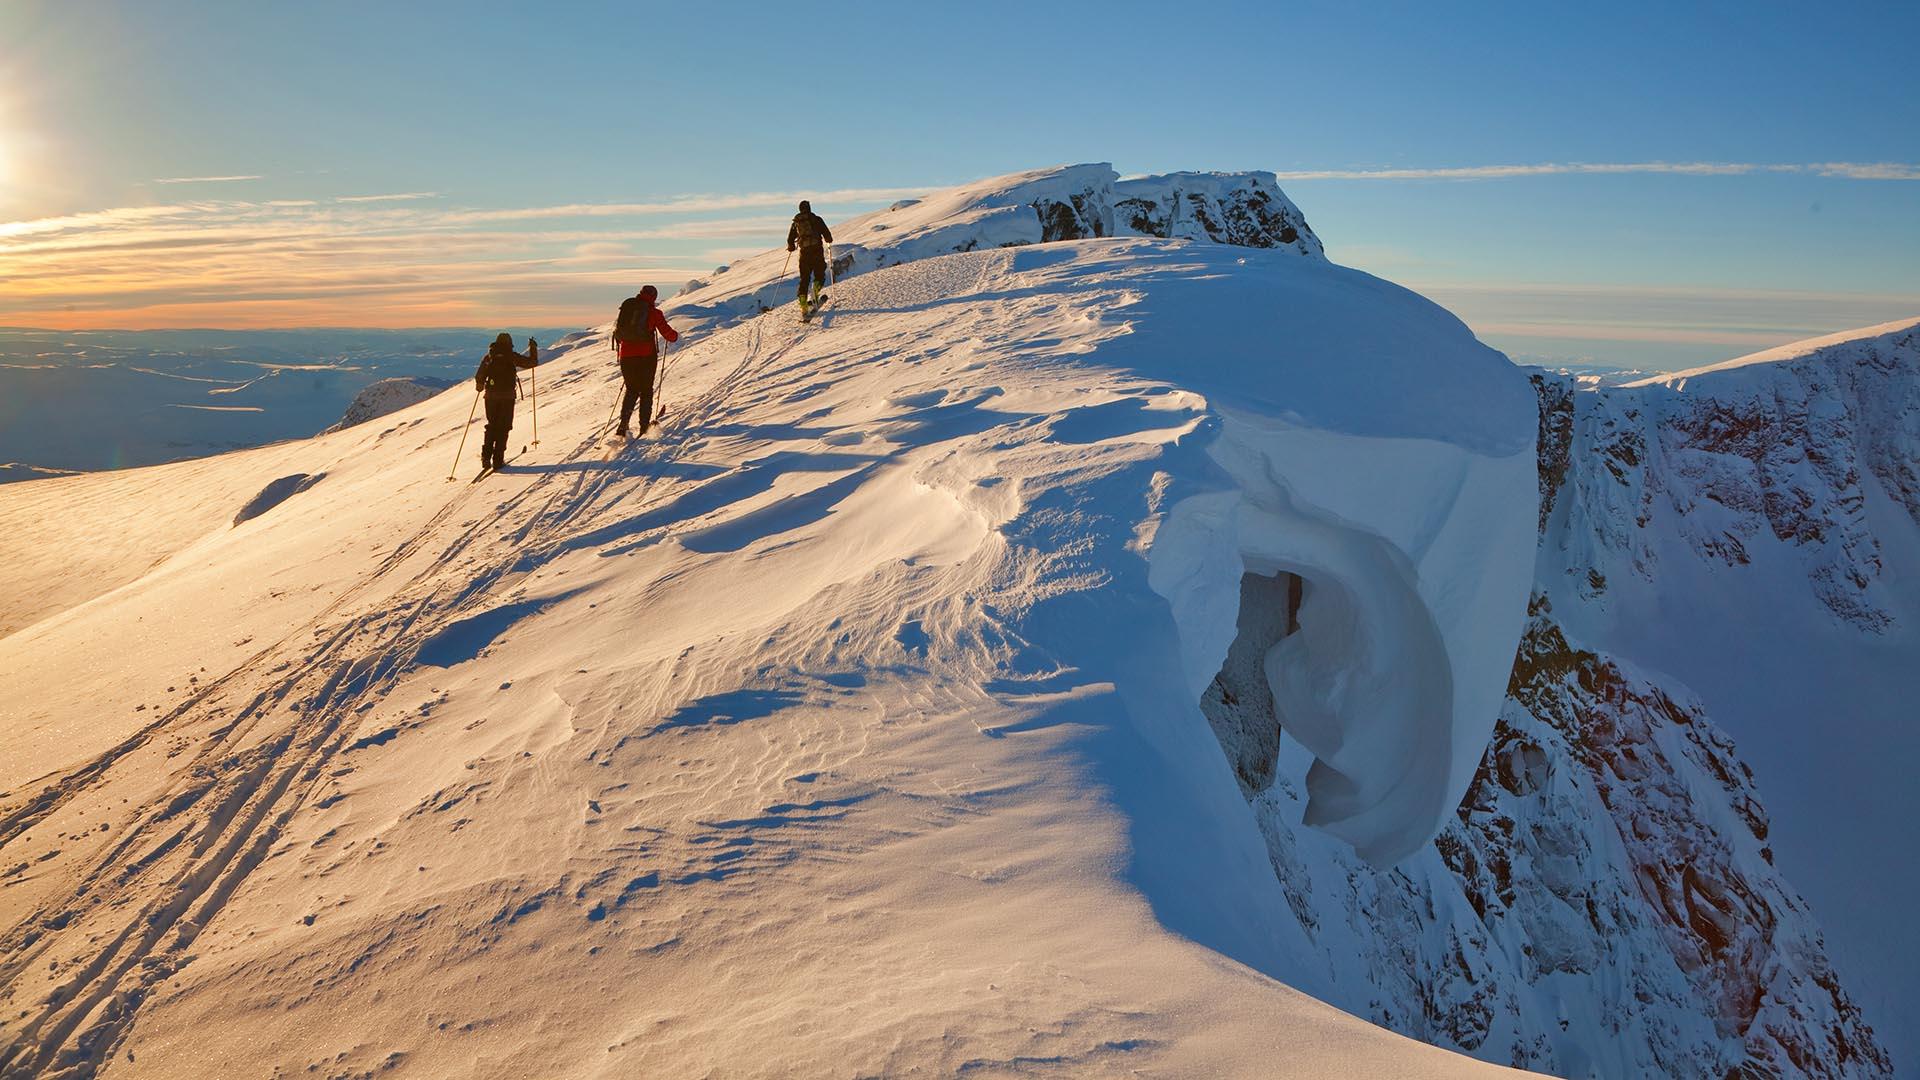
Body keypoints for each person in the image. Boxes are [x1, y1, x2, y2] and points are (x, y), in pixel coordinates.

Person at [611, 284, 680, 436]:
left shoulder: (628, 308)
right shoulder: (654, 313)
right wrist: (675, 336)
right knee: (646, 390)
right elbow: (667, 333)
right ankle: (644, 426)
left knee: (631, 389)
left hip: (626, 355)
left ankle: (623, 424)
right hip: (646, 356)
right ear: (654, 297)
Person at [473, 332, 538, 470]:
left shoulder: (489, 357)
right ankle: (498, 459)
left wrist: (480, 385)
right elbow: (532, 363)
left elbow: (479, 377)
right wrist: (533, 348)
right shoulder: (511, 356)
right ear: (509, 344)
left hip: (490, 397)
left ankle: (485, 457)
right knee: (504, 427)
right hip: (507, 397)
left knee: (492, 425)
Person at [787, 199, 833, 316]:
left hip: (804, 253)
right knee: (820, 274)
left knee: (804, 278)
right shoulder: (816, 219)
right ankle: (815, 293)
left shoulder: (796, 222)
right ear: (809, 208)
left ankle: (803, 305)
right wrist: (828, 240)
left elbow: (790, 239)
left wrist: (791, 246)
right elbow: (827, 234)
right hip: (816, 251)